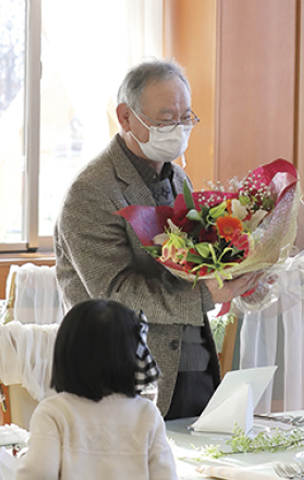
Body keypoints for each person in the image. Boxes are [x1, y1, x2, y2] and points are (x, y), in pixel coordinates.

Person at [53, 59, 258, 419]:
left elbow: (190, 267)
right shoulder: (92, 191)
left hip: (192, 360)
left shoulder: (179, 179)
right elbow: (113, 294)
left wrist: (242, 270)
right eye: (165, 119)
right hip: (120, 372)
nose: (177, 129)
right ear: (126, 117)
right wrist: (205, 295)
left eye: (185, 118)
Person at [14, 299, 177, 480]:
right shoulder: (147, 414)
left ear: (65, 353)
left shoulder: (54, 412)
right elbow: (166, 476)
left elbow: (38, 474)